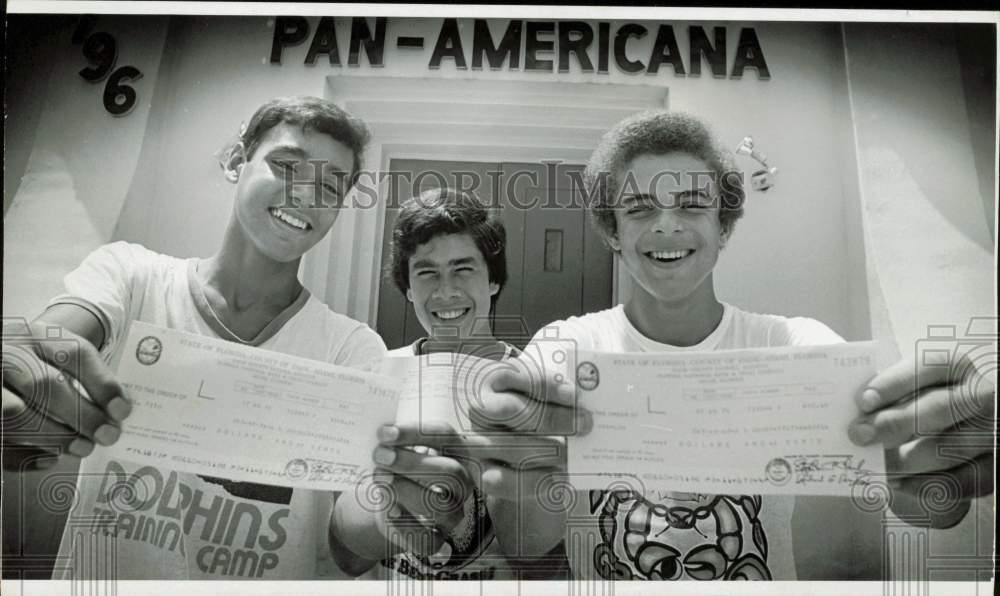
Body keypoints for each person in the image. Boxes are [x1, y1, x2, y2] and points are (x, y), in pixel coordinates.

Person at [509, 110, 994, 580]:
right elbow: (525, 541)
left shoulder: (791, 344)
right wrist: (514, 483)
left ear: (723, 226)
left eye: (692, 205)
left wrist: (934, 466)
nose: (666, 225)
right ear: (613, 231)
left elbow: (922, 501)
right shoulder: (566, 347)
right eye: (639, 209)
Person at [1, 96, 386, 579]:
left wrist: (401, 507)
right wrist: (23, 366)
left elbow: (351, 548)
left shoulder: (352, 351)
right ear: (235, 162)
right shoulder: (131, 277)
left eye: (330, 185)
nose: (307, 194)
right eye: (288, 165)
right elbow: (56, 334)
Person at [329, 187, 569, 580]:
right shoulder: (376, 376)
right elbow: (348, 560)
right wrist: (382, 506)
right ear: (407, 288)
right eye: (426, 272)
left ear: (493, 280)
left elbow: (547, 571)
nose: (445, 291)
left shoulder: (535, 389)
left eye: (463, 268)